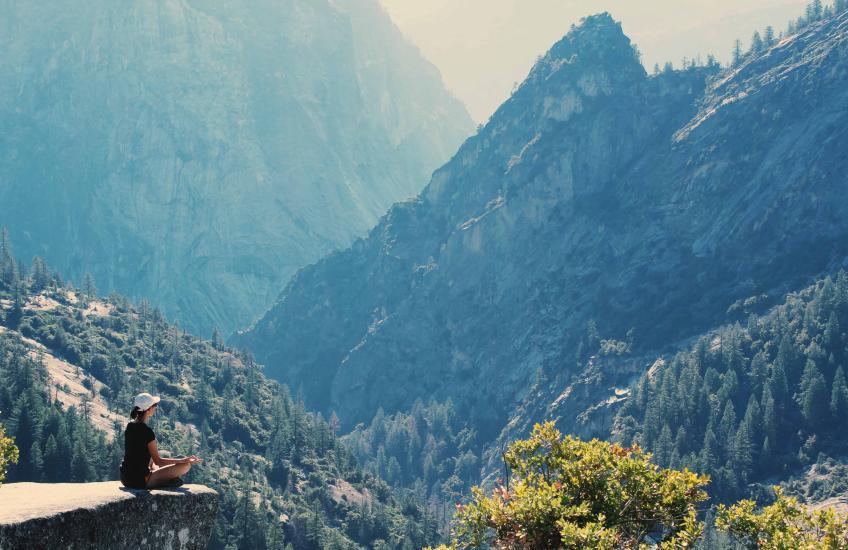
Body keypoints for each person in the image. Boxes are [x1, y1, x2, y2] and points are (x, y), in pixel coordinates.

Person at [119, 392, 202, 489]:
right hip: (139, 481)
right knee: (185, 465)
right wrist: (183, 460)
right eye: (155, 405)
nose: (156, 407)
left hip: (124, 477)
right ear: (149, 409)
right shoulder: (147, 432)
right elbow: (158, 461)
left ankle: (163, 479)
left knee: (151, 460)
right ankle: (163, 481)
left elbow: (139, 454)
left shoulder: (130, 426)